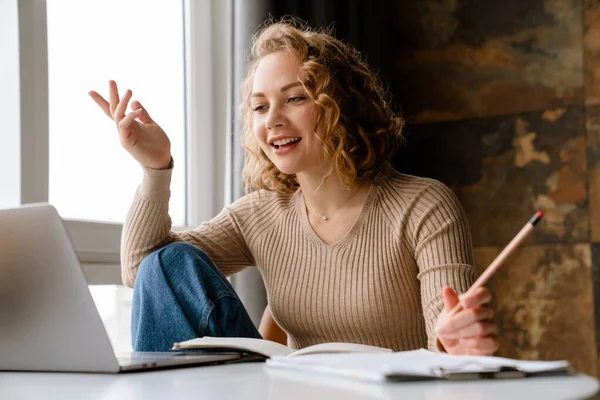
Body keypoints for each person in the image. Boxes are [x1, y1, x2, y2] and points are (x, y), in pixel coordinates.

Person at [89, 19, 498, 356]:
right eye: (261, 106)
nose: (273, 121)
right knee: (171, 261)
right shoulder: (261, 214)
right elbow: (145, 268)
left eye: (295, 99)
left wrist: (457, 341)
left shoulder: (424, 205)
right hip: (289, 391)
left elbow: (448, 344)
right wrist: (156, 167)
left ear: (341, 105)